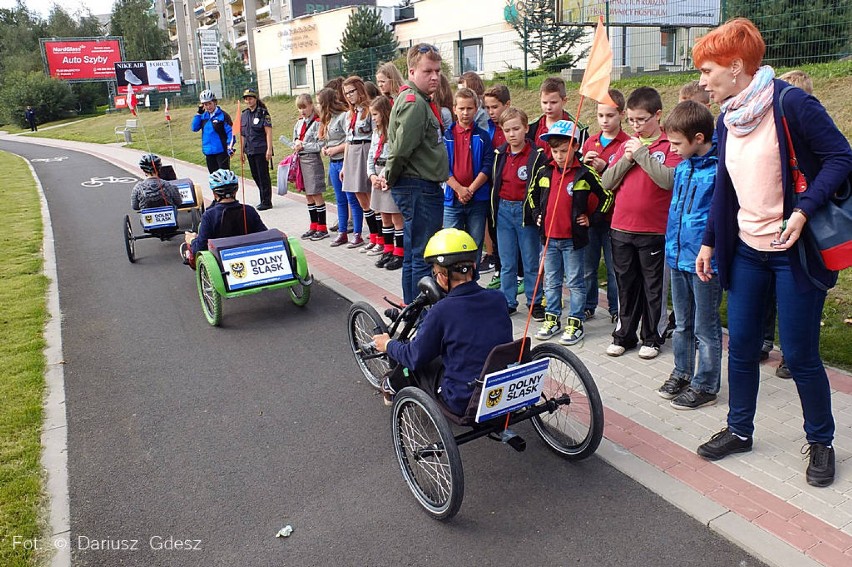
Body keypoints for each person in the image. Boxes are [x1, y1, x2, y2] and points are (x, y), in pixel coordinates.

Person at [692, 18, 851, 487]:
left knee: (800, 354)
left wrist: (803, 210)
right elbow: (726, 186)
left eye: (707, 70)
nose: (702, 80)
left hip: (793, 252)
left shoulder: (791, 103)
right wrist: (708, 241)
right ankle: (740, 430)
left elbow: (842, 157)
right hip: (746, 251)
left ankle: (820, 441)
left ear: (736, 66)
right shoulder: (727, 117)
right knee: (739, 347)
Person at [371, 228, 513, 413]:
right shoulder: (498, 297)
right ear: (474, 266)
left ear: (444, 276)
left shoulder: (441, 311)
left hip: (464, 399)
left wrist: (388, 344)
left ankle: (391, 386)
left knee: (415, 361)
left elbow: (414, 357)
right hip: (503, 387)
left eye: (436, 273)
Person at [601, 87, 682, 360]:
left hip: (654, 231)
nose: (636, 126)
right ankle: (624, 334)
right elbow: (607, 181)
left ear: (657, 115)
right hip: (622, 228)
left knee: (653, 287)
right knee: (626, 285)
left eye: (642, 119)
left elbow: (667, 180)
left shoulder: (668, 145)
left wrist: (642, 155)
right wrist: (627, 158)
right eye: (632, 120)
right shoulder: (627, 144)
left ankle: (652, 336)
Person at [658, 101, 722, 410]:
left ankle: (706, 383)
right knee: (681, 323)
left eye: (676, 143)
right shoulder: (682, 167)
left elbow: (720, 217)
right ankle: (682, 371)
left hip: (704, 261)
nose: (672, 149)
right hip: (677, 255)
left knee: (705, 326)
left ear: (698, 138)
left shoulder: (720, 170)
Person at [527, 121, 610, 345]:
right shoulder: (545, 171)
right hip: (549, 239)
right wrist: (537, 215)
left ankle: (576, 321)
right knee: (552, 281)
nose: (560, 156)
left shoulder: (584, 173)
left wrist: (592, 219)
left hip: (573, 241)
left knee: (575, 282)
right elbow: (532, 194)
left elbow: (606, 197)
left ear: (574, 147)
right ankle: (552, 318)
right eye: (555, 151)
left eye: (564, 150)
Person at [385, 43, 449, 304]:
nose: (434, 77)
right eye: (427, 71)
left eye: (437, 71)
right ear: (412, 71)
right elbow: (401, 149)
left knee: (414, 254)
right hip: (418, 186)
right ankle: (421, 315)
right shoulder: (415, 104)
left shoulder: (419, 100)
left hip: (418, 185)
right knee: (423, 255)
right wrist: (390, 176)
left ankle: (411, 307)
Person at [761, 69, 814, 380]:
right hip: (769, 231)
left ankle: (795, 355)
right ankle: (767, 341)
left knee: (798, 296)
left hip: (804, 234)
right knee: (769, 292)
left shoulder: (810, 140)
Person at [490, 107, 544, 320]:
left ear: (526, 128)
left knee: (530, 260)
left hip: (525, 212)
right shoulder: (500, 154)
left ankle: (534, 301)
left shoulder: (535, 155)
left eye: (516, 129)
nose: (512, 134)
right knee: (507, 261)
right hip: (504, 210)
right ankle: (508, 300)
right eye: (507, 130)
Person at [581, 89, 629, 324]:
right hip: (590, 215)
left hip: (614, 216)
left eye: (610, 115)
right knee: (588, 266)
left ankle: (615, 307)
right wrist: (584, 164)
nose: (605, 121)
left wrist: (604, 167)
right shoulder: (590, 141)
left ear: (621, 114)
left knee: (614, 268)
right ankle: (589, 305)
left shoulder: (627, 143)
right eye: (601, 115)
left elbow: (626, 180)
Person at [443, 87, 493, 258]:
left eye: (469, 108)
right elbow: (442, 167)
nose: (465, 112)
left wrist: (470, 190)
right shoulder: (445, 136)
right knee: (451, 244)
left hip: (477, 198)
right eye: (461, 108)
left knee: (475, 243)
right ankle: (453, 282)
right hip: (452, 198)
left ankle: (473, 280)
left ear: (476, 109)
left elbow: (487, 166)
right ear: (454, 109)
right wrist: (458, 189)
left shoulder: (483, 136)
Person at [181, 169, 267, 269]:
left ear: (214, 193)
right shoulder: (249, 210)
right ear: (236, 190)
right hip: (249, 257)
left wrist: (191, 240)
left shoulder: (209, 215)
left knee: (191, 241)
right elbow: (264, 235)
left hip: (221, 263)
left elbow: (200, 248)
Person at [367, 95, 404, 271]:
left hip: (389, 176)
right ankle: (388, 249)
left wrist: (385, 177)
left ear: (384, 113)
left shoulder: (393, 132)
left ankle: (400, 252)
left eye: (375, 114)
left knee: (396, 216)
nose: (373, 118)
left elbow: (395, 156)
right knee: (384, 217)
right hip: (378, 174)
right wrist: (372, 175)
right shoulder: (376, 133)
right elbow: (370, 155)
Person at [341, 76, 378, 249]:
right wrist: (344, 165)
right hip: (353, 153)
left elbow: (376, 135)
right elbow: (348, 140)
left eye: (351, 92)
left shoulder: (370, 110)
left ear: (360, 89)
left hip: (366, 149)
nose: (349, 96)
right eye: (346, 93)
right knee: (359, 196)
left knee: (370, 196)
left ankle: (380, 238)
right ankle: (372, 236)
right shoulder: (350, 114)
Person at [481, 84, 512, 283]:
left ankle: (518, 274)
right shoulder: (488, 129)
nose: (491, 112)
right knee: (495, 230)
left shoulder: (512, 127)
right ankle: (500, 269)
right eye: (487, 108)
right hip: (491, 189)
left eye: (495, 107)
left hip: (510, 190)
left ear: (507, 105)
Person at [317, 87, 351, 244]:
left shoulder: (343, 116)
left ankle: (357, 232)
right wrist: (325, 148)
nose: (318, 106)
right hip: (333, 163)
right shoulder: (327, 119)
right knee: (340, 200)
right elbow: (325, 140)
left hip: (345, 161)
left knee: (352, 199)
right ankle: (342, 232)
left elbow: (350, 141)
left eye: (319, 103)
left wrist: (336, 149)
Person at [293, 93, 328, 240]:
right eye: (299, 108)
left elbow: (320, 144)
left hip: (312, 160)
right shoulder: (299, 122)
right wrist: (295, 143)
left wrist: (304, 145)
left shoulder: (318, 122)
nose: (302, 111)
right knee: (308, 195)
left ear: (311, 105)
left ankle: (322, 227)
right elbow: (295, 136)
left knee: (316, 193)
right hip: (301, 160)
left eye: (304, 107)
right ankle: (313, 225)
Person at [527, 77, 582, 160]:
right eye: (545, 102)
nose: (548, 107)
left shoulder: (578, 128)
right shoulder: (532, 127)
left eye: (553, 102)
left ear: (564, 100)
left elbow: (582, 156)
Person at [239, 88, 273, 210]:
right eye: (246, 99)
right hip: (250, 149)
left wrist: (269, 149)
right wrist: (242, 151)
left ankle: (266, 201)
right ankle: (263, 197)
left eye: (250, 98)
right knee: (255, 175)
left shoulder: (263, 113)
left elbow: (268, 132)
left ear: (255, 99)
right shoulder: (244, 114)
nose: (248, 101)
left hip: (261, 149)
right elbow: (242, 134)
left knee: (263, 175)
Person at [191, 90, 234, 173]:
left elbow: (230, 132)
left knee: (224, 177)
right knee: (213, 178)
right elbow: (194, 128)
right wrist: (198, 114)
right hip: (208, 151)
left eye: (210, 103)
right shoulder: (203, 116)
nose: (208, 107)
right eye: (205, 104)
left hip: (221, 151)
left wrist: (230, 146)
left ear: (215, 102)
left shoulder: (223, 115)